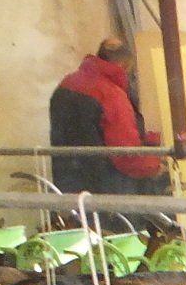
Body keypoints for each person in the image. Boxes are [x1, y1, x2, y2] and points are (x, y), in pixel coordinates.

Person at [48, 38, 166, 199]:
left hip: (69, 189)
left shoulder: (66, 84)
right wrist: (154, 165)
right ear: (123, 64)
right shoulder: (111, 95)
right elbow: (126, 156)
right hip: (107, 194)